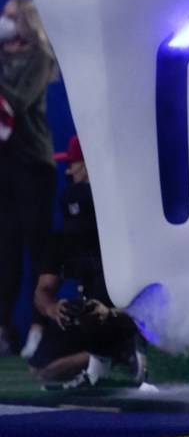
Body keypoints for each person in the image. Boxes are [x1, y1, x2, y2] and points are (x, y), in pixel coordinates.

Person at [27, 135, 147, 389]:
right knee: (41, 368)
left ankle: (119, 347)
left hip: (125, 315)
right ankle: (111, 354)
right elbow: (43, 289)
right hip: (91, 316)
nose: (68, 170)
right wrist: (53, 309)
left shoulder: (125, 230)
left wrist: (113, 316)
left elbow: (154, 299)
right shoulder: (64, 237)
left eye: (73, 163)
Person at [0, 0, 59, 356]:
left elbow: (17, 102)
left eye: (9, 16)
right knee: (5, 248)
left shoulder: (40, 57)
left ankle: (41, 326)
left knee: (37, 246)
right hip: (4, 163)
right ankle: (4, 326)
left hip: (33, 163)